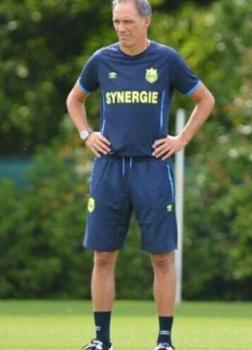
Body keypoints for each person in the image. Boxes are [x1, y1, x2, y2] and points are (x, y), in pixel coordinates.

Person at [65, 1, 214, 349]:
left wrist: (182, 140)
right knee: (103, 256)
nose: (121, 28)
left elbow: (205, 99)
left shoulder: (166, 59)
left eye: (128, 21)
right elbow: (75, 99)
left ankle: (164, 341)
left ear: (146, 20)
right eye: (117, 21)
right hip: (109, 169)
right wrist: (87, 134)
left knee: (162, 257)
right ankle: (101, 340)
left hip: (151, 168)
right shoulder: (101, 60)